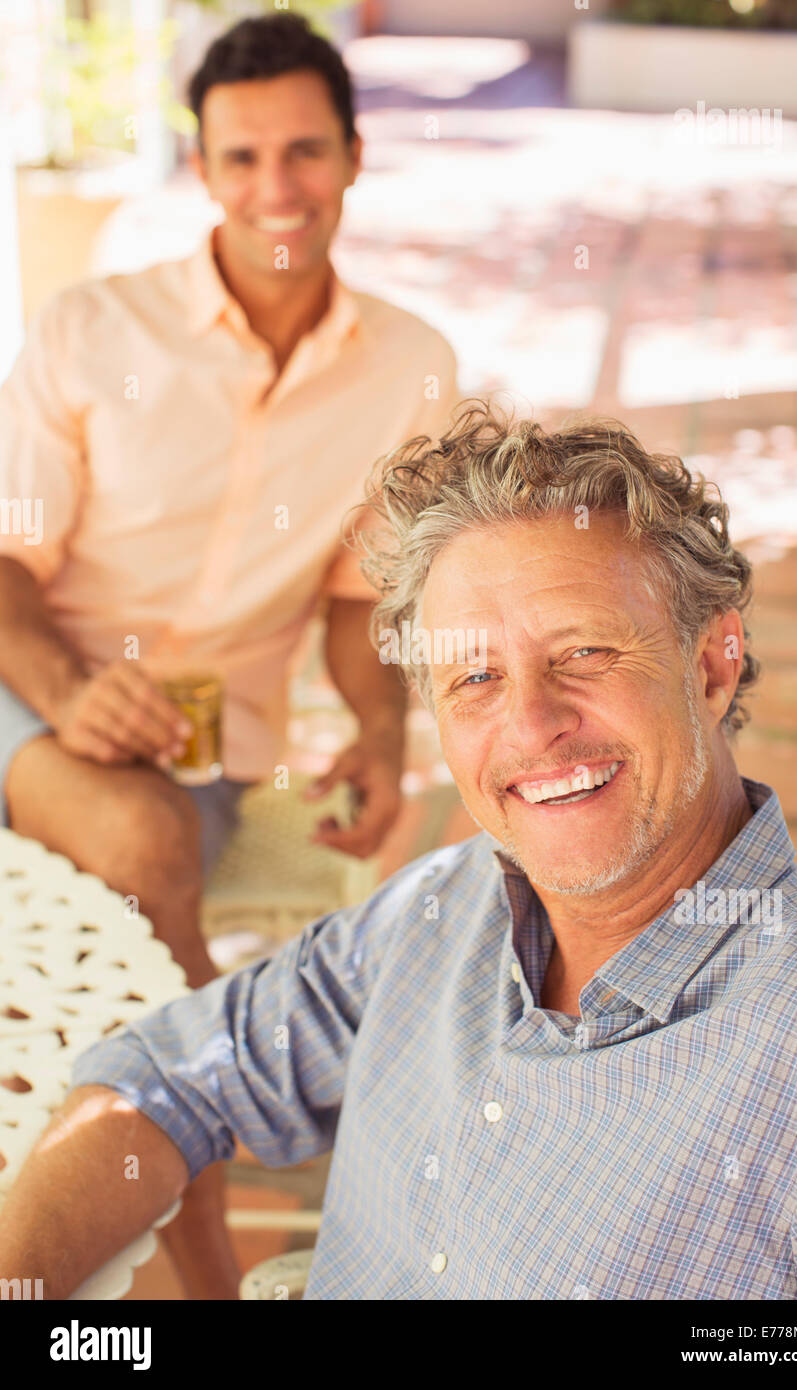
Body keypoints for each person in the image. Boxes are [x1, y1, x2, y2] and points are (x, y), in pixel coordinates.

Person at [2, 401, 797, 1300]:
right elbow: (165, 1079)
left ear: (713, 664)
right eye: (476, 678)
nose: (531, 725)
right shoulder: (441, 908)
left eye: (585, 652)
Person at [0, 12, 458, 1299]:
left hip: (185, 763)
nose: (275, 189)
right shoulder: (93, 332)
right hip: (21, 683)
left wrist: (382, 735)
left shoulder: (410, 369)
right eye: (241, 157)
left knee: (146, 847)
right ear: (200, 168)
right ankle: (201, 1277)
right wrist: (68, 690)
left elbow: (356, 598)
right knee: (136, 863)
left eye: (303, 153)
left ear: (355, 159)